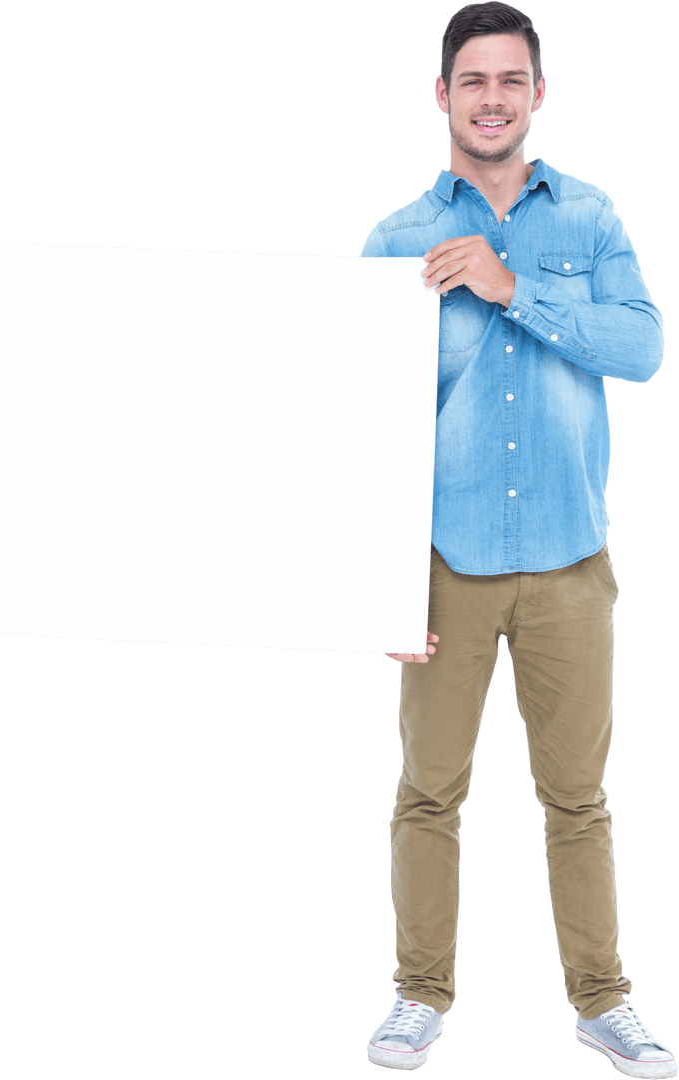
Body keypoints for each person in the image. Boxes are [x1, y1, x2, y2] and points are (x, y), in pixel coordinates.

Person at [357, 4, 674, 1077]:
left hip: (569, 564)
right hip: (441, 569)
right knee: (427, 791)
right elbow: (362, 424)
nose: (489, 97)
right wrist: (374, 586)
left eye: (510, 79)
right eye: (470, 80)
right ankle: (416, 996)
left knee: (576, 797)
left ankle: (600, 1003)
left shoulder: (586, 219)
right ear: (439, 96)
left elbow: (640, 347)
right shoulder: (395, 240)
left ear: (537, 94)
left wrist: (512, 288)